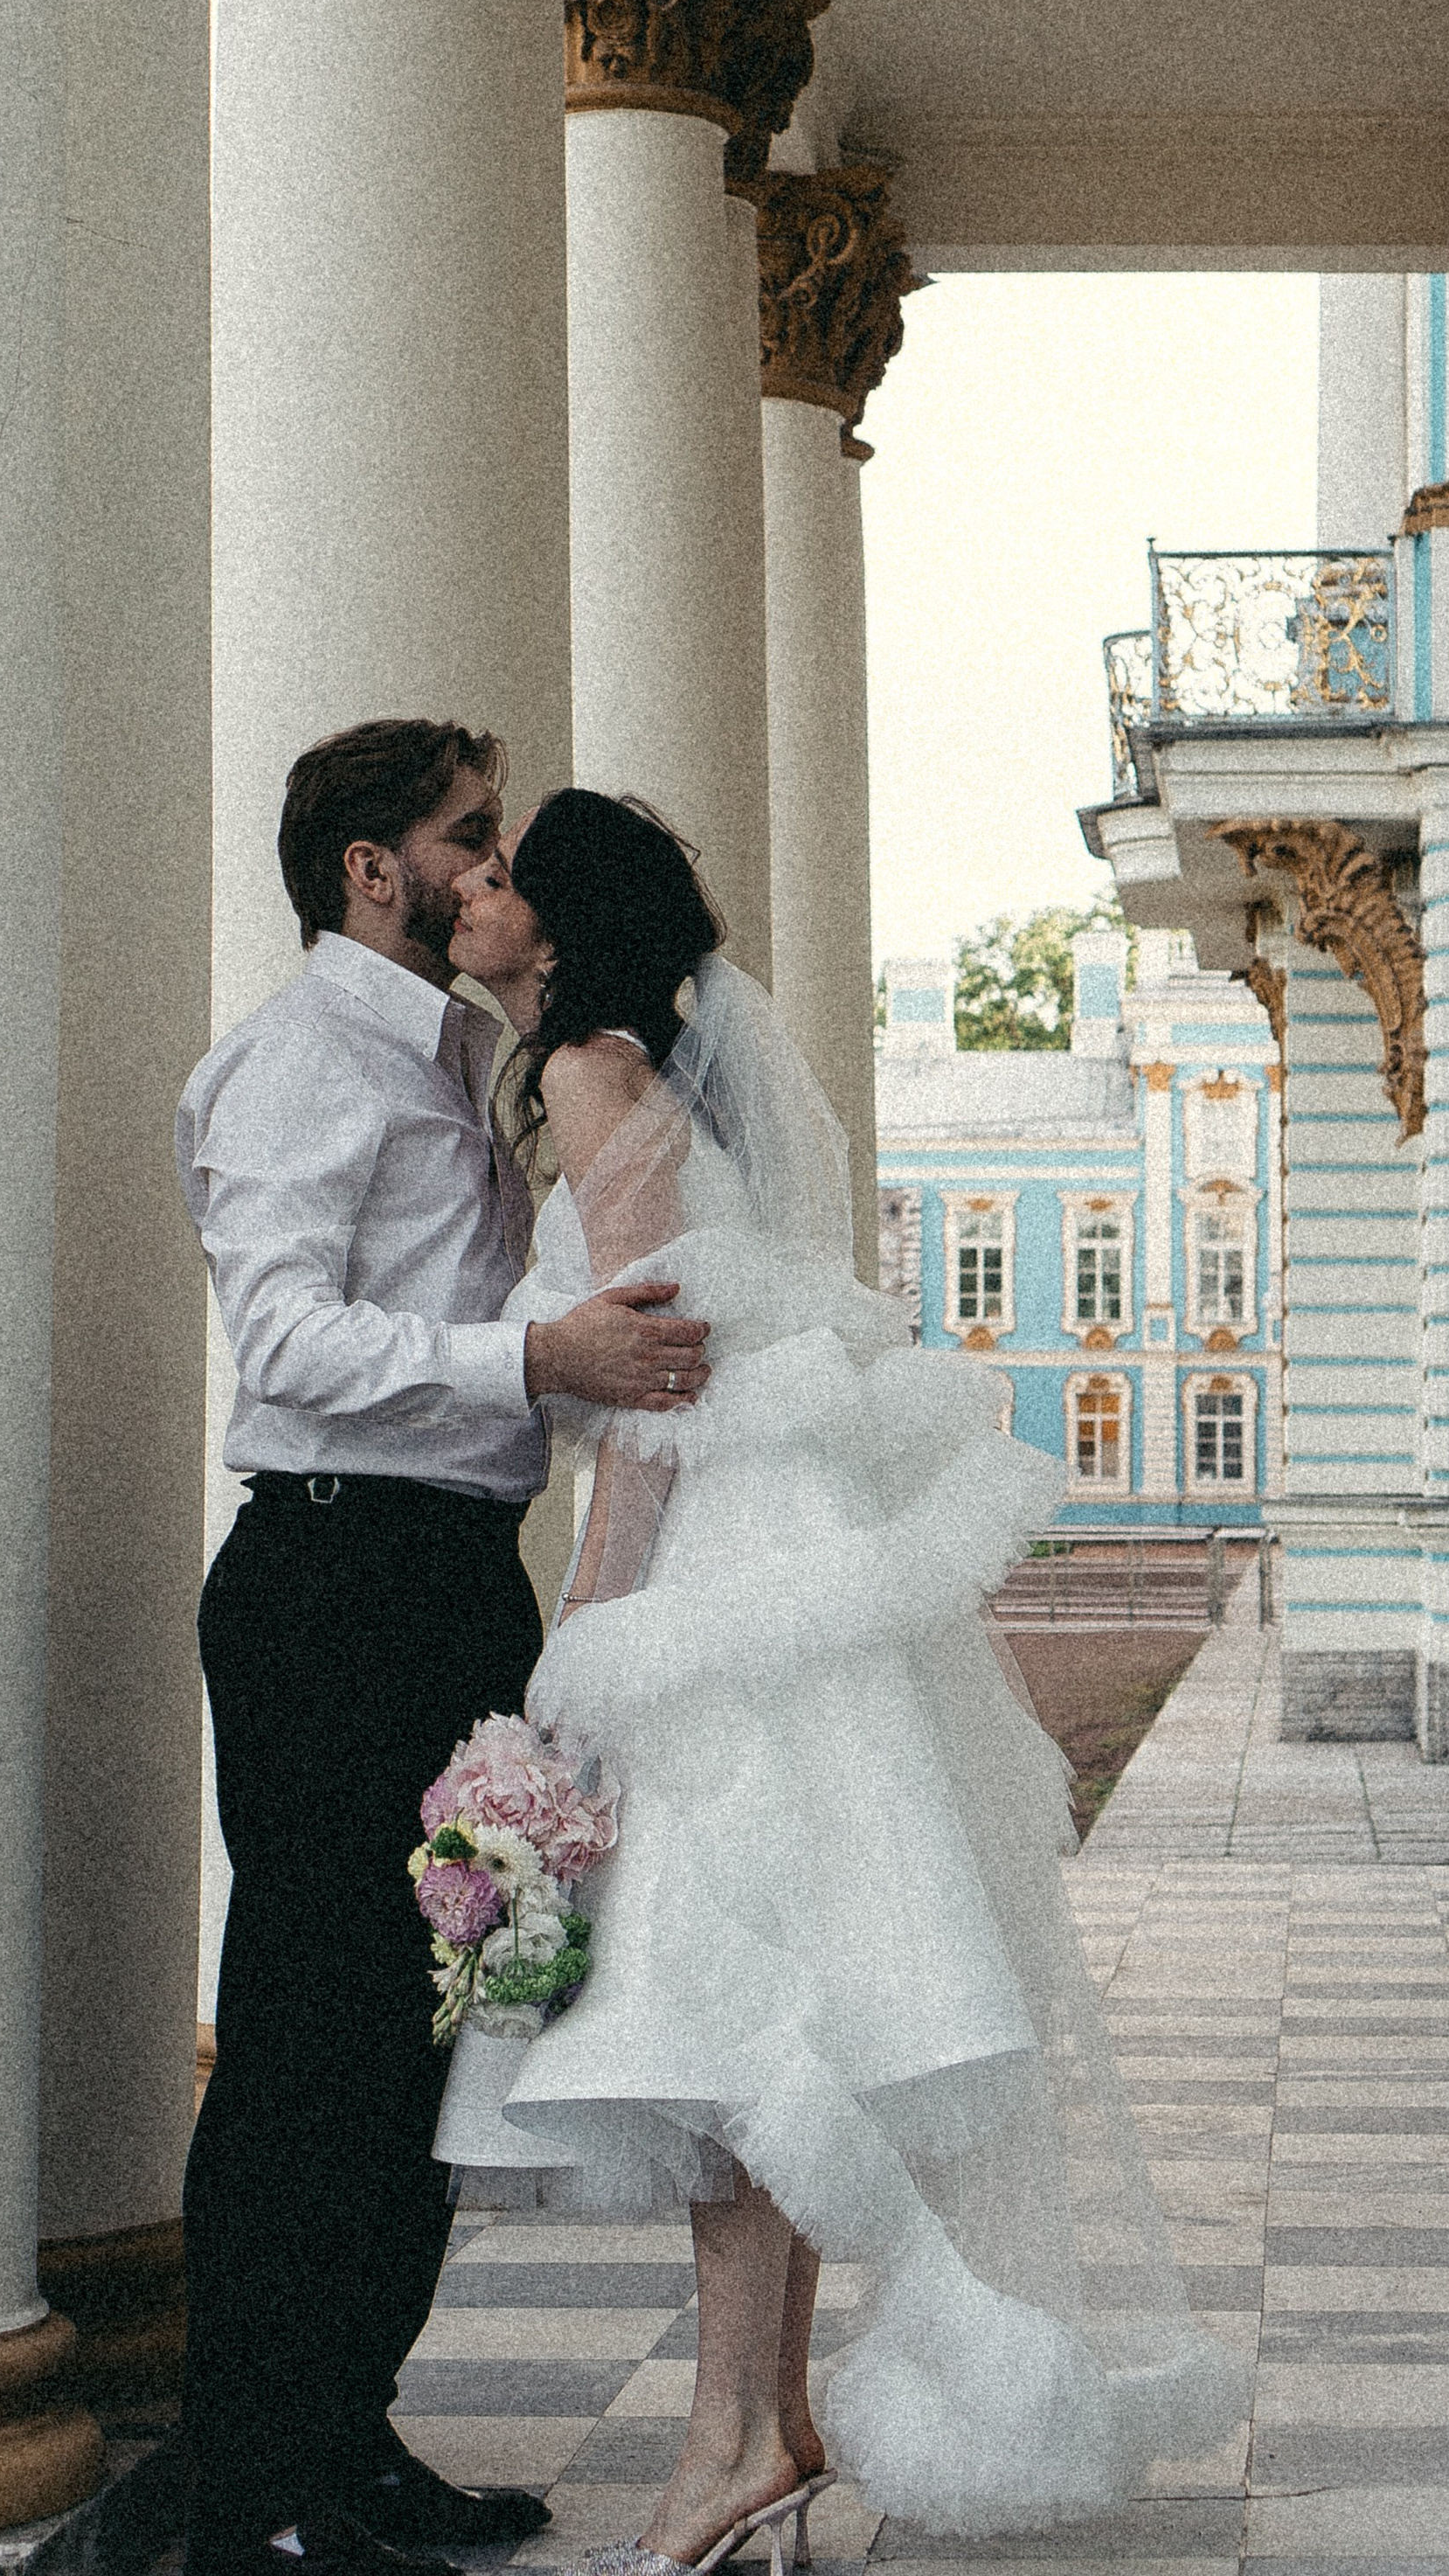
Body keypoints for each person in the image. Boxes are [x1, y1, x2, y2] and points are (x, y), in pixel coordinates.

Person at [437, 789, 1245, 2564]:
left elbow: (650, 1408)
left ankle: (732, 2445)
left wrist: (584, 1657)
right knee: (768, 2004)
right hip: (780, 1563)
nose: (468, 898)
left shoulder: (585, 1075)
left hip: (724, 1577)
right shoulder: (630, 1073)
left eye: (498, 879)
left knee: (731, 2008)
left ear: (560, 928)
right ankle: (761, 2429)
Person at [173, 723, 715, 2576]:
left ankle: (351, 2437)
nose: (495, 872)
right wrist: (534, 1363)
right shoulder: (291, 1069)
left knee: (421, 2037)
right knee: (310, 2042)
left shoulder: (475, 1057)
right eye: (463, 840)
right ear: (363, 870)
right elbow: (289, 1347)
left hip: (450, 1584)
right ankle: (248, 2477)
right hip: (327, 1591)